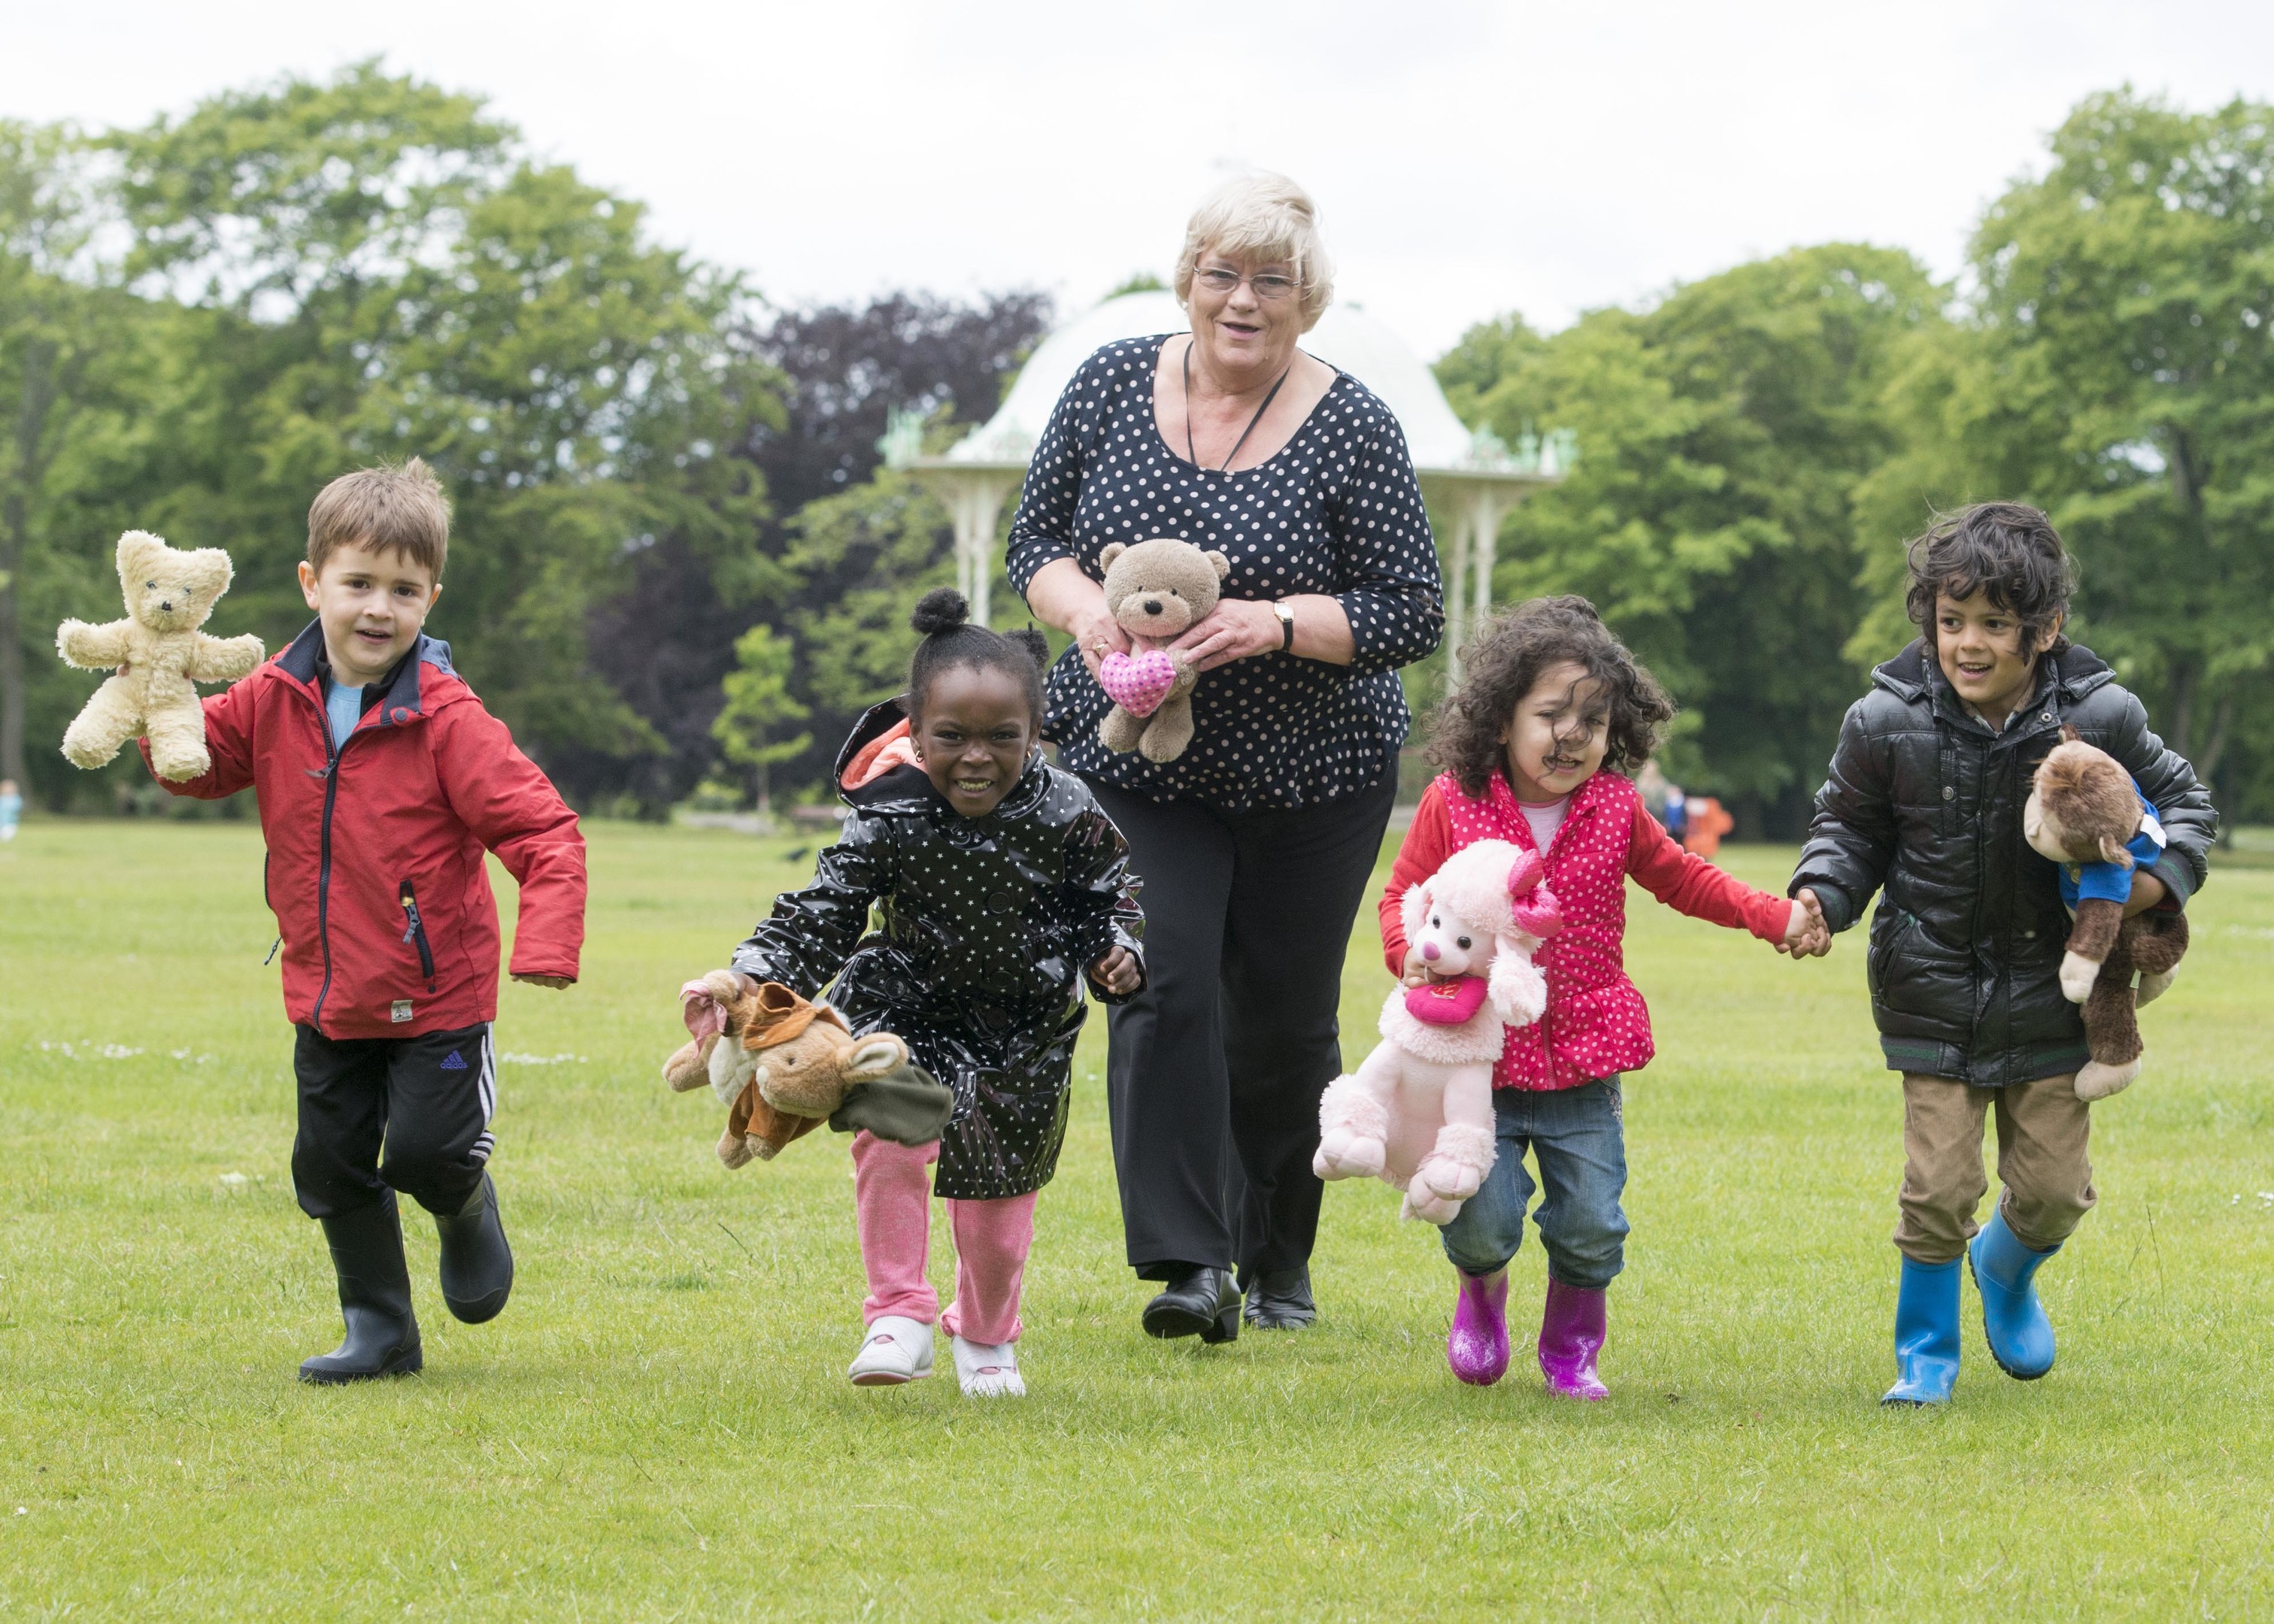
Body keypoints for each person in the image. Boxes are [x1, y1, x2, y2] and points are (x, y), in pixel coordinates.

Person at [1013, 171, 1443, 1341]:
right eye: (1222, 274)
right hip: (1135, 760)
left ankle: (1280, 1255)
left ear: (1310, 301)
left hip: (1315, 776)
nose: (1242, 300)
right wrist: (1084, 615)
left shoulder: (1353, 424)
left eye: (1272, 281)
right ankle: (1190, 1265)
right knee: (1158, 981)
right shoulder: (1108, 384)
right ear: (1187, 280)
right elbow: (1036, 540)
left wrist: (1278, 622)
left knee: (1285, 1021)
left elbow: (1411, 610)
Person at [145, 459, 587, 1384]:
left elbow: (543, 829)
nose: (378, 608)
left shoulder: (449, 720)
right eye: (358, 584)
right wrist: (154, 693)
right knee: (328, 1165)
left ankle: (465, 1202)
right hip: (327, 989)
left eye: (404, 590)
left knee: (428, 1150)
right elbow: (198, 763)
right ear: (314, 584)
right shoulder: (273, 694)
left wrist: (546, 942)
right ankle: (380, 1329)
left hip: (438, 996)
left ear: (432, 596)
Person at [1790, 502, 2212, 1407]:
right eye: (1951, 622)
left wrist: (2158, 882)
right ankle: (1926, 1357)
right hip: (1930, 987)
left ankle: (2008, 1270)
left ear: (2046, 628)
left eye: (1992, 624)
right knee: (1937, 1187)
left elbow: (2185, 801)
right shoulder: (1882, 719)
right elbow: (1847, 827)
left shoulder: (2100, 711)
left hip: (2058, 995)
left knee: (2055, 1193)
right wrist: (1822, 895)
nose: (1967, 644)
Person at [1381, 596, 1828, 1399]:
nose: (1572, 735)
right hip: (1477, 1058)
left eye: (1594, 719)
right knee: (1481, 1218)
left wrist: (1774, 916)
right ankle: (1482, 1295)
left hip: (1586, 1055)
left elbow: (1685, 879)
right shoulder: (1457, 799)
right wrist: (1407, 955)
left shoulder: (1616, 808)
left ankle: (1572, 1343)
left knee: (1592, 1224)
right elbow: (1403, 895)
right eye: (1551, 713)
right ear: (1502, 716)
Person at [726, 590, 1145, 1397]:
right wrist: (753, 973)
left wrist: (1116, 953)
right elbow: (825, 908)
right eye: (951, 737)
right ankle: (897, 1313)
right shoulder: (889, 814)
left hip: (1026, 1027)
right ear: (915, 734)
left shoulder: (1068, 810)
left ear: (1036, 735)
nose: (976, 757)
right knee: (889, 1139)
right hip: (901, 1011)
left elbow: (1111, 900)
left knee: (996, 1214)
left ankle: (986, 1337)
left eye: (1003, 738)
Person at [0, 777, 20, 841]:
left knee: (7, 835)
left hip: (11, 823)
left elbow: (17, 807)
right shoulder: (2, 799)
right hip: (2, 822)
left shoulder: (15, 799)